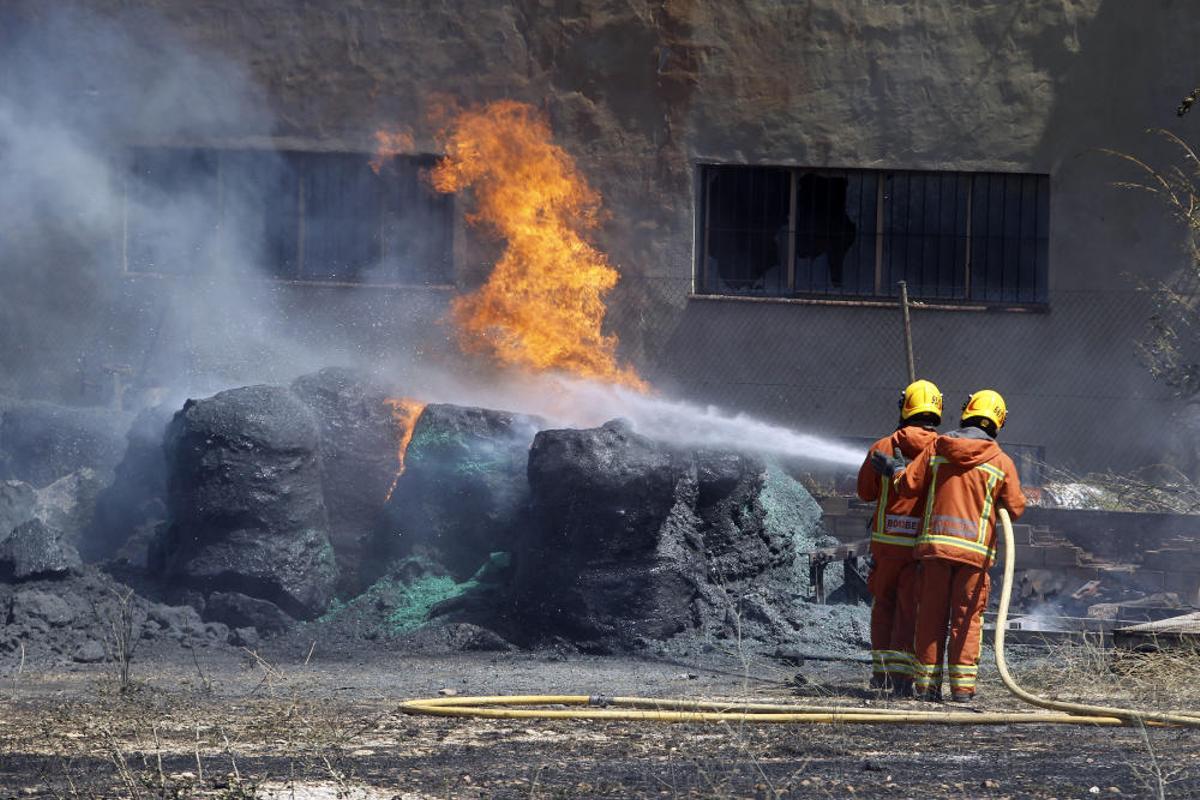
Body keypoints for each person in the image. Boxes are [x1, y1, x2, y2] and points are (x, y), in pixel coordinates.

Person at [885, 389, 1026, 702]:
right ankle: (962, 690)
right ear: (999, 422)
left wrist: (894, 470)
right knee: (966, 620)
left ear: (967, 411)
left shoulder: (938, 447)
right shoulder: (1001, 462)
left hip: (935, 551)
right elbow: (1015, 509)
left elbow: (908, 486)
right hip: (974, 557)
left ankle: (926, 687)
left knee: (930, 617)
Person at [857, 379, 942, 695]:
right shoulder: (941, 452)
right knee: (911, 612)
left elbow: (865, 492)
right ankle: (904, 681)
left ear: (905, 406)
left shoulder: (882, 447)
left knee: (884, 609)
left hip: (887, 546)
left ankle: (881, 678)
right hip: (921, 548)